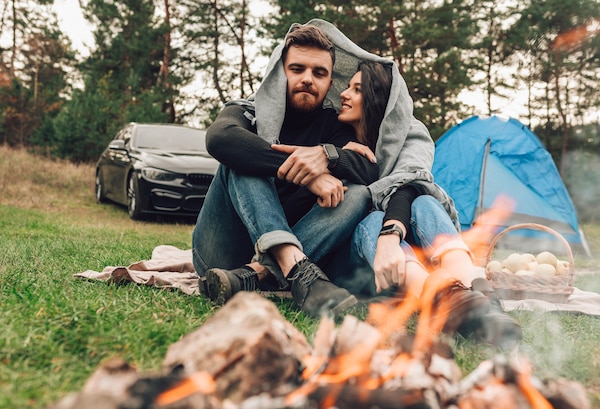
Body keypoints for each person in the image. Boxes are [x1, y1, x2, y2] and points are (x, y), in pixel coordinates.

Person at [192, 22, 380, 318]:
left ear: (330, 82)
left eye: (319, 73)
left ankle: (259, 273)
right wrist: (310, 174)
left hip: (245, 270)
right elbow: (219, 138)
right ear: (280, 73)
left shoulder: (333, 126)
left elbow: (368, 170)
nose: (308, 79)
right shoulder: (249, 111)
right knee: (242, 158)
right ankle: (294, 268)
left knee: (357, 194)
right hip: (222, 253)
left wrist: (326, 156)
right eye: (297, 69)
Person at [337, 60, 522, 348]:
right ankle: (446, 299)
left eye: (357, 90)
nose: (344, 94)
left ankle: (476, 297)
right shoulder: (337, 137)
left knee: (423, 199)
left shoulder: (411, 133)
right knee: (373, 219)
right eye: (348, 87)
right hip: (364, 261)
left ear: (377, 99)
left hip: (405, 255)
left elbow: (409, 185)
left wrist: (392, 233)